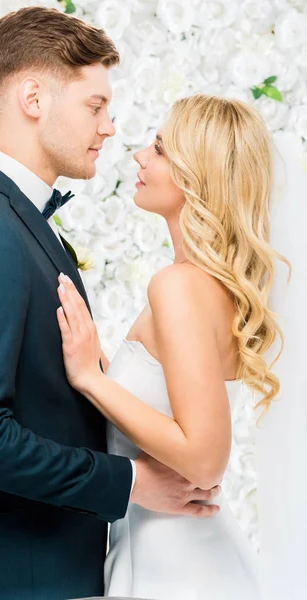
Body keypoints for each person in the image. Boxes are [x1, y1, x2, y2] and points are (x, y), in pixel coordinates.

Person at [0, 8, 220, 600]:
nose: (109, 127)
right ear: (33, 97)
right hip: (1, 582)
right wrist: (129, 481)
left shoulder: (17, 224)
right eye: (95, 105)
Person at [56, 94, 290, 599]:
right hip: (170, 550)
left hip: (177, 565)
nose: (140, 156)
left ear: (197, 175)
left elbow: (205, 460)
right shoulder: (210, 287)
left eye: (160, 148)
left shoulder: (179, 285)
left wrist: (91, 378)